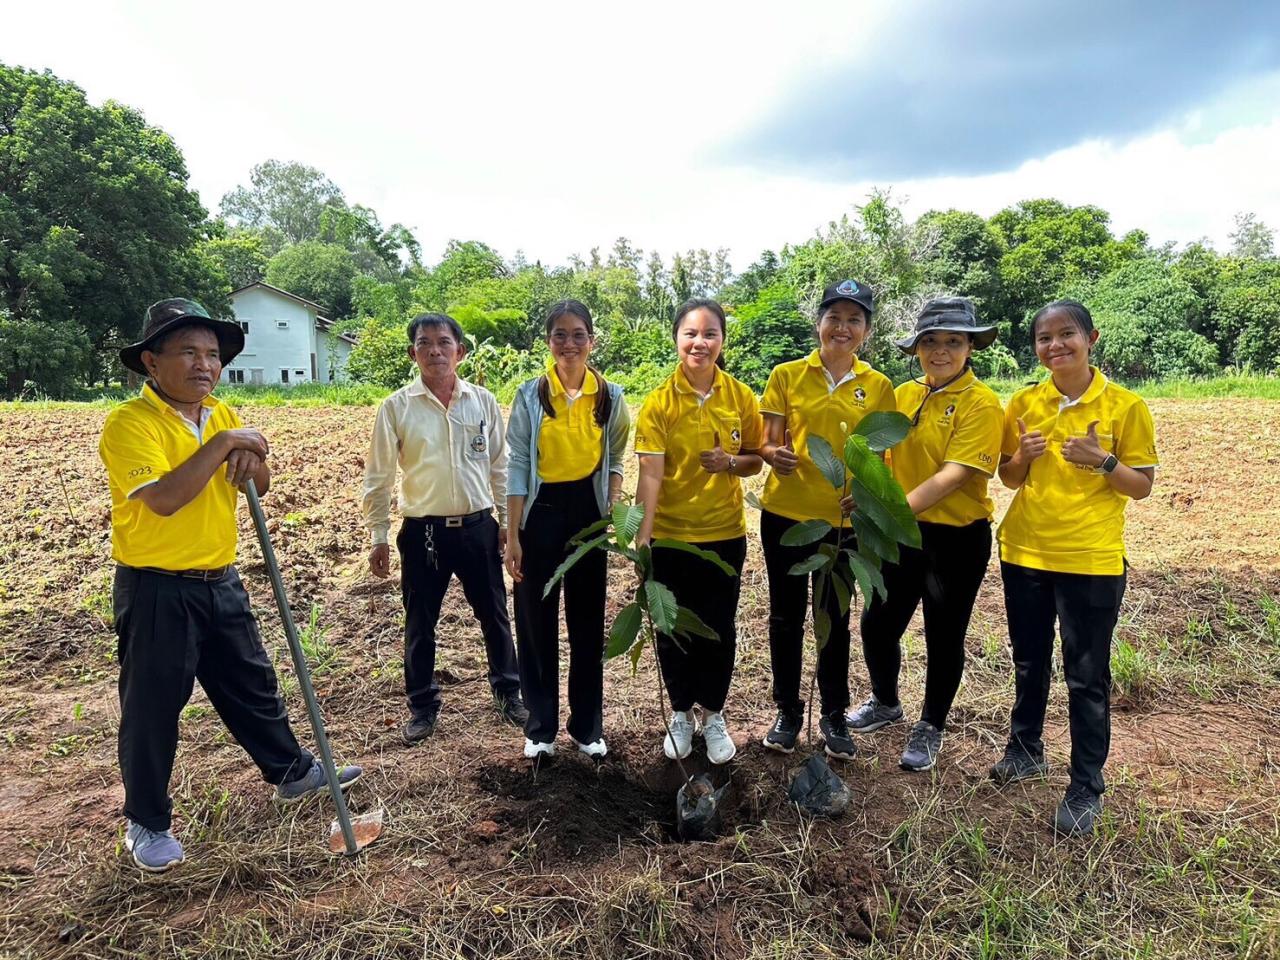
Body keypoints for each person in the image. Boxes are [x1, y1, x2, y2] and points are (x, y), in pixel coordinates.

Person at [100, 298, 362, 873]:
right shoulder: (130, 424)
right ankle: (147, 821)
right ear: (151, 361)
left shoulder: (219, 413)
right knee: (152, 707)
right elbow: (165, 499)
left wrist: (250, 452)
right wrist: (227, 444)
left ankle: (291, 773)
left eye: (212, 354)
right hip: (156, 587)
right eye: (188, 352)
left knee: (252, 684)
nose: (204, 365)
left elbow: (258, 483)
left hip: (220, 576)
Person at [989, 299, 1157, 836]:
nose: (1055, 345)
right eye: (1044, 338)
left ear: (1091, 337)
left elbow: (1143, 486)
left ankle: (1085, 784)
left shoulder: (1126, 406)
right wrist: (1023, 458)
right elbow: (1009, 479)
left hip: (1090, 560)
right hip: (1024, 552)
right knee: (1028, 661)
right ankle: (1025, 748)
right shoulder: (1022, 403)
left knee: (1086, 677)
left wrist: (1103, 461)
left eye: (1066, 335)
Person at [848, 297, 1004, 772]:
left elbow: (953, 476)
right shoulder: (902, 395)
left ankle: (931, 723)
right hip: (899, 534)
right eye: (930, 341)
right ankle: (886, 701)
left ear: (970, 347)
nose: (941, 351)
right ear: (916, 348)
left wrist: (886, 511)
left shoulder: (982, 404)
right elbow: (879, 455)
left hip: (955, 538)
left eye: (953, 341)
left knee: (944, 632)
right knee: (877, 624)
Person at [362, 313, 527, 745]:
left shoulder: (483, 402)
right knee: (420, 622)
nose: (435, 350)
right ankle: (421, 705)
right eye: (425, 343)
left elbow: (501, 467)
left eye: (444, 342)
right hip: (423, 533)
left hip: (478, 528)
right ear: (412, 353)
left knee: (494, 614)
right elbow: (378, 477)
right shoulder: (397, 407)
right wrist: (379, 535)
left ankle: (509, 693)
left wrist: (508, 527)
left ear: (460, 351)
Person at [756, 279, 895, 761]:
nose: (842, 327)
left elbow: (881, 457)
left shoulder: (877, 387)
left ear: (866, 331)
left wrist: (869, 495)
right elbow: (767, 442)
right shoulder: (787, 374)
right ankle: (789, 712)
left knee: (833, 616)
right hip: (786, 516)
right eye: (834, 317)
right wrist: (777, 456)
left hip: (842, 524)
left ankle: (834, 715)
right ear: (819, 323)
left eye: (853, 320)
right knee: (785, 616)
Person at [633, 298, 764, 765]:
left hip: (724, 534)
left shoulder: (741, 397)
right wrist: (642, 536)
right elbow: (650, 474)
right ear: (676, 338)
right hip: (670, 537)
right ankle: (680, 713)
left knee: (718, 629)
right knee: (671, 628)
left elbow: (754, 457)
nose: (699, 343)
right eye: (690, 333)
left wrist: (729, 463)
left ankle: (713, 715)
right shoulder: (659, 403)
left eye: (710, 334)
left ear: (722, 341)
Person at [504, 300, 631, 760]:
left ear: (591, 341)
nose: (569, 344)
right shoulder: (529, 395)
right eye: (560, 335)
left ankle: (586, 727)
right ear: (549, 342)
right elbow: (518, 465)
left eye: (578, 334)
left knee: (586, 621)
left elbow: (616, 457)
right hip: (541, 512)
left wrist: (613, 503)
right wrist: (512, 532)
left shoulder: (611, 397)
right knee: (535, 623)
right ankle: (540, 729)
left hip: (587, 514)